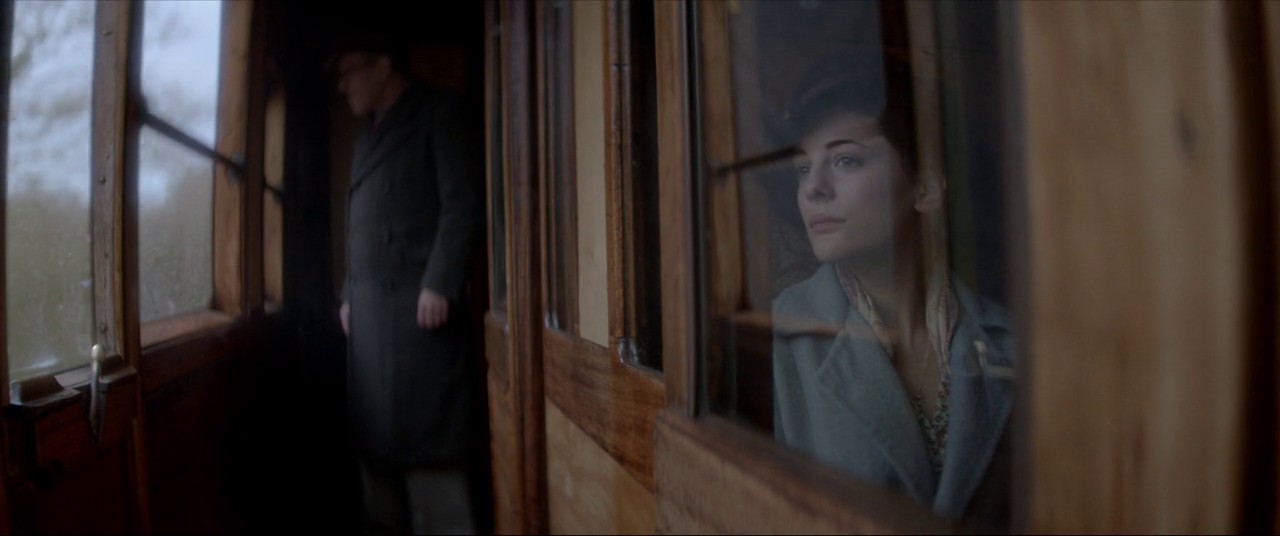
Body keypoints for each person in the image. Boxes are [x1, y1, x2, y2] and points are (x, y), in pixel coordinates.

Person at [771, 53, 1017, 523]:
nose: (813, 188)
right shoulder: (779, 335)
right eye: (803, 169)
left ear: (926, 189)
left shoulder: (1008, 340)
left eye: (845, 159)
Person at [331, 31, 482, 535]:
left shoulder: (438, 112)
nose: (342, 84)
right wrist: (348, 294)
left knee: (431, 465)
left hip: (419, 323)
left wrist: (440, 282)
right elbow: (361, 227)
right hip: (371, 325)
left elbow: (462, 202)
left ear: (383, 63)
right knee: (379, 476)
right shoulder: (366, 138)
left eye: (349, 70)